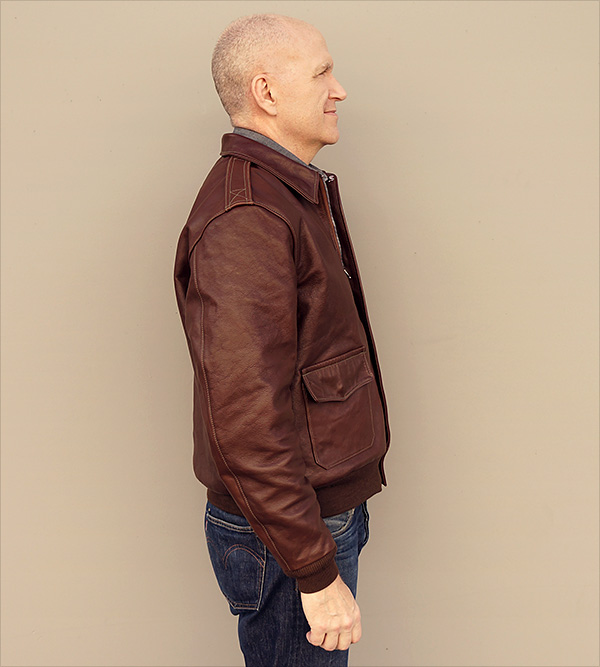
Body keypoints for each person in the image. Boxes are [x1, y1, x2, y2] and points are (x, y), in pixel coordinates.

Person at [174, 13, 390, 666]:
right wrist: (314, 571)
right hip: (289, 534)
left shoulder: (281, 193)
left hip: (308, 517)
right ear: (266, 93)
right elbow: (244, 417)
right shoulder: (248, 216)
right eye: (322, 73)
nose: (339, 89)